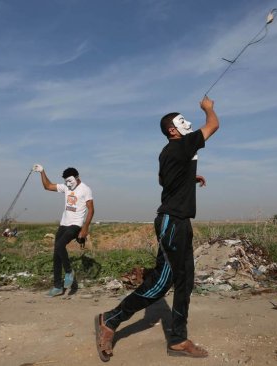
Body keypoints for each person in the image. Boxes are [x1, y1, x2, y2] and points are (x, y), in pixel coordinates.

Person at [95, 96, 219, 361]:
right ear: (173, 131)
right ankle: (110, 319)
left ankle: (177, 340)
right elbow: (213, 125)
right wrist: (209, 109)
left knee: (185, 282)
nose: (188, 124)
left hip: (179, 221)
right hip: (172, 222)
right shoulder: (182, 144)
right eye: (182, 121)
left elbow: (164, 181)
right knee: (162, 284)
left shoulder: (169, 152)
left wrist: (189, 177)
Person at [32, 165, 94, 297]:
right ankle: (57, 287)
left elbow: (91, 209)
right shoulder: (66, 187)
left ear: (77, 178)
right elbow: (47, 186)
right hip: (63, 224)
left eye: (70, 181)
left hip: (75, 225)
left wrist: (85, 228)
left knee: (60, 245)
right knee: (57, 254)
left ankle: (69, 271)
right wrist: (42, 171)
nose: (68, 184)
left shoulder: (85, 189)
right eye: (66, 181)